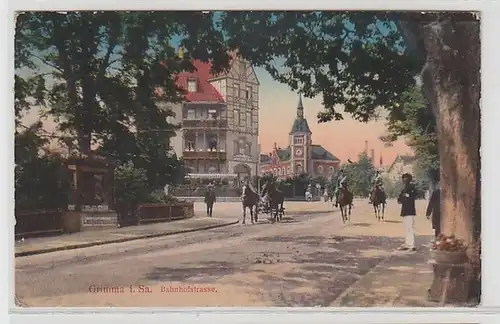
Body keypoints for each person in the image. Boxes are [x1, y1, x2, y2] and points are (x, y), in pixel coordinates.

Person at [397, 173, 417, 251]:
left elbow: (412, 196)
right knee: (406, 228)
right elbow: (399, 199)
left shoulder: (412, 187)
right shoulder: (404, 189)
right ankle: (407, 244)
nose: (404, 180)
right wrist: (403, 197)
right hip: (405, 210)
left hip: (410, 210)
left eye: (406, 179)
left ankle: (411, 245)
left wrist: (405, 196)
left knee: (410, 228)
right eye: (404, 178)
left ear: (409, 180)